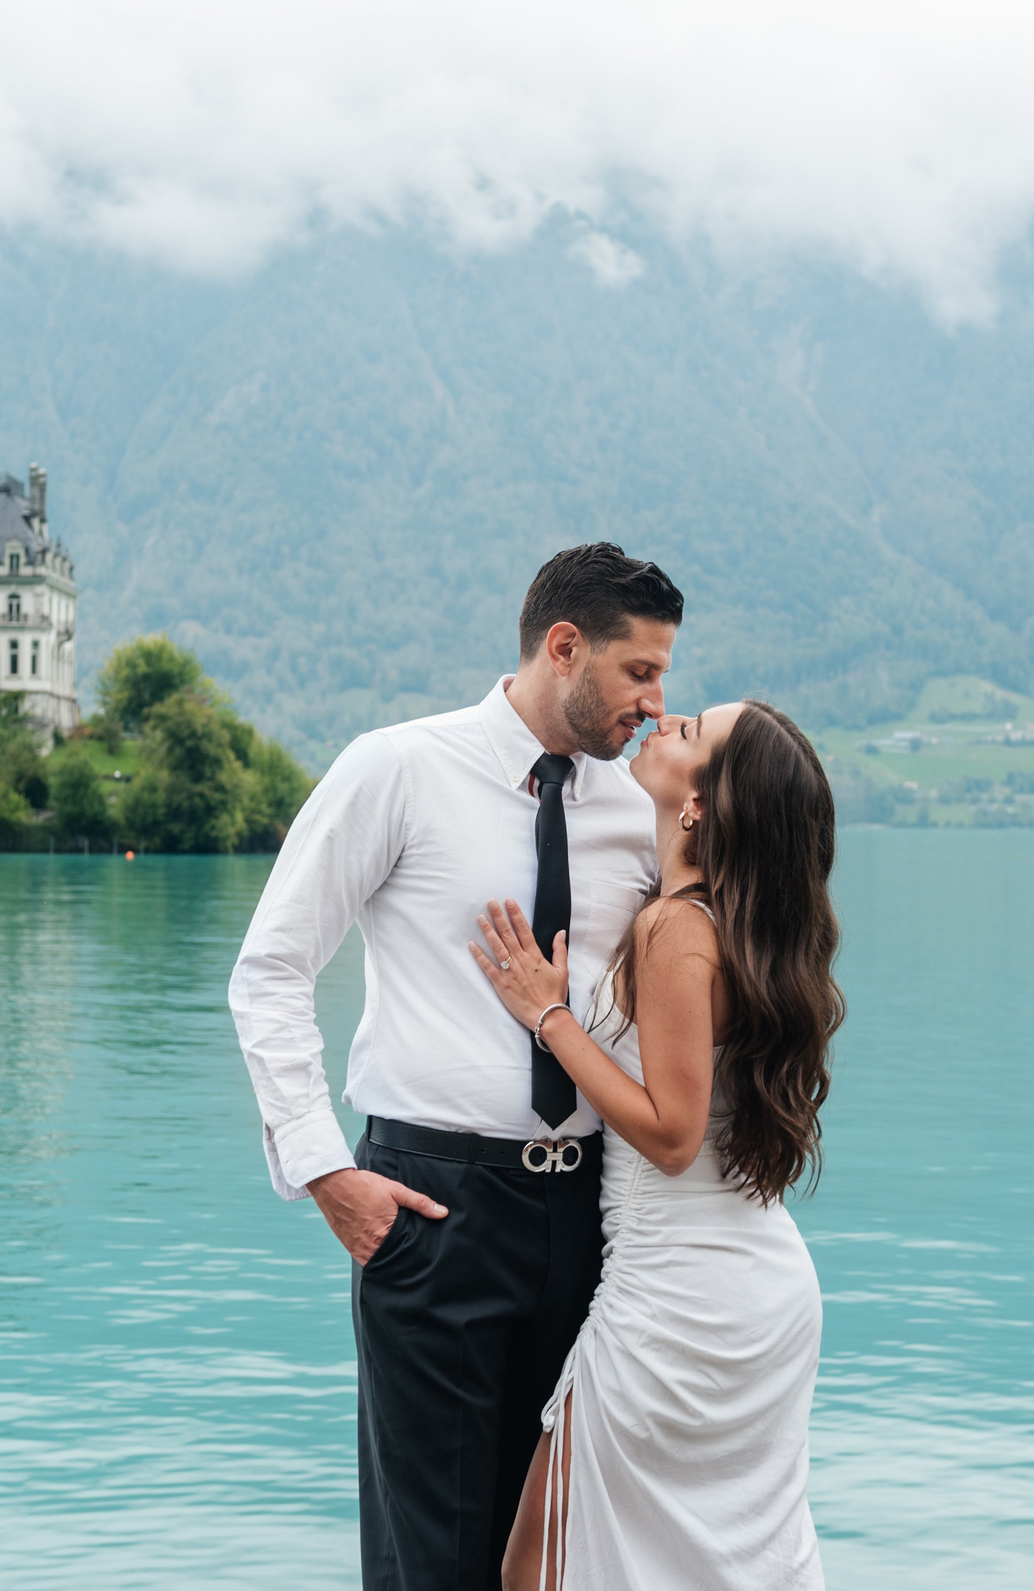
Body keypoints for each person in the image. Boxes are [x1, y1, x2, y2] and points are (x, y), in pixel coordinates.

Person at [229, 543, 684, 1591]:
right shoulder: (396, 766)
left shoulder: (636, 812)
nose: (656, 702)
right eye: (639, 671)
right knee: (428, 1561)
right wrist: (321, 1171)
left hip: (596, 1224)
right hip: (428, 1208)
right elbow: (270, 970)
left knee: (555, 1559)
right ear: (563, 647)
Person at [474, 700, 844, 1591]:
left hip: (680, 1295)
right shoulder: (729, 925)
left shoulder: (679, 928)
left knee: (540, 1558)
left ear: (702, 805)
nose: (666, 719)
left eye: (691, 733)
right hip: (751, 1286)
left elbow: (674, 1135)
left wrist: (549, 1015)